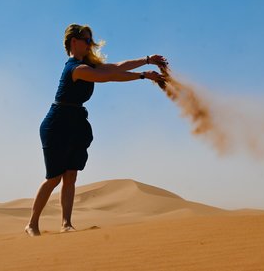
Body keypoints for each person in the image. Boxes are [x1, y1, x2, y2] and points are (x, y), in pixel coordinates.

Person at [25, 23, 167, 236]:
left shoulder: (88, 66)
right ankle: (32, 224)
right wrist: (143, 73)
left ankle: (66, 224)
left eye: (91, 40)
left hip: (76, 121)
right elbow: (108, 75)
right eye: (87, 40)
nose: (90, 44)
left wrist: (145, 67)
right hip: (57, 123)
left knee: (71, 175)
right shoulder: (75, 69)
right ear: (74, 42)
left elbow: (116, 68)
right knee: (54, 178)